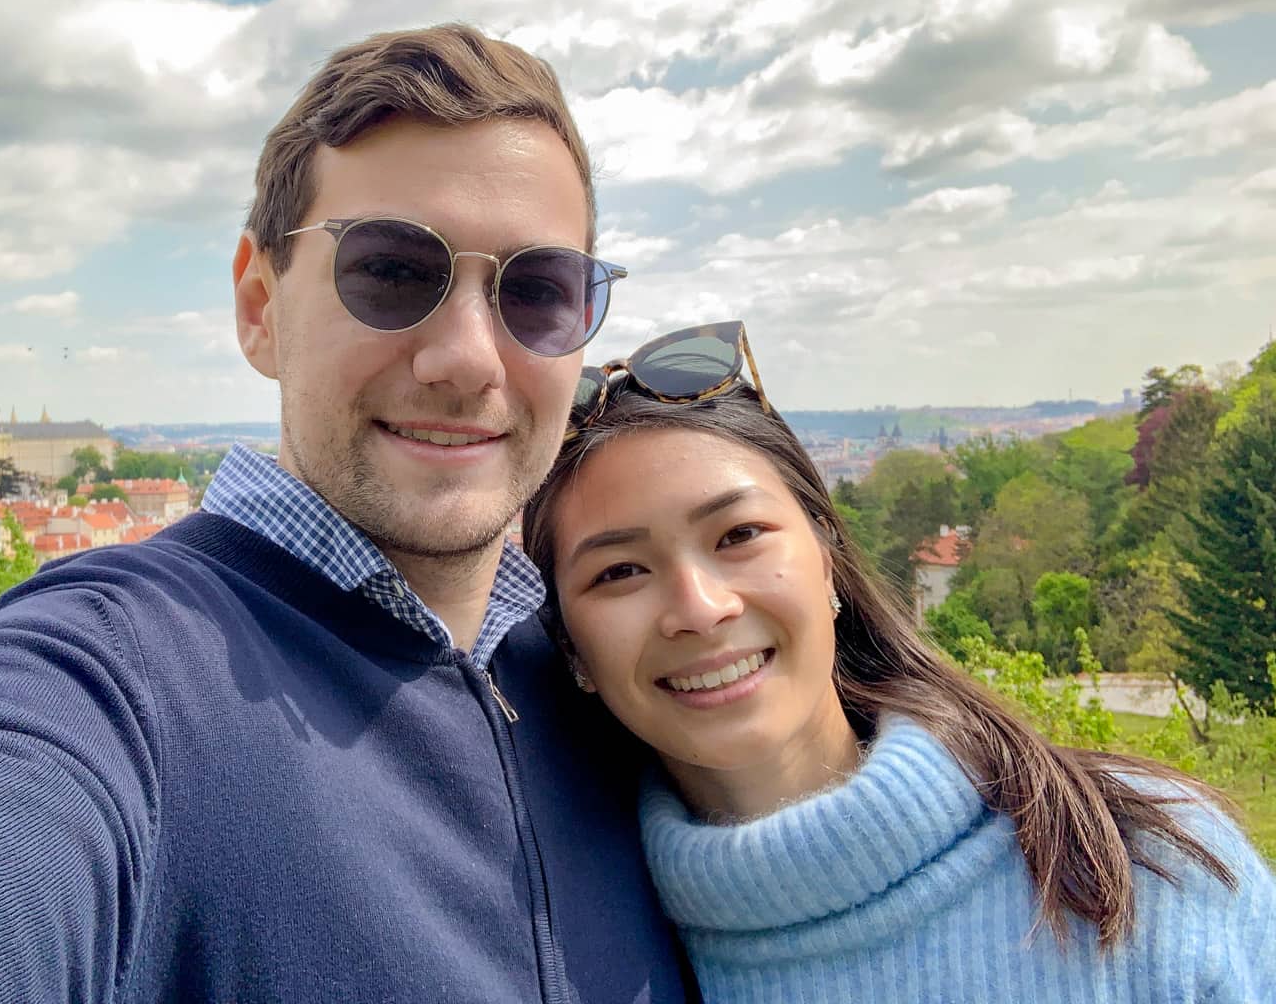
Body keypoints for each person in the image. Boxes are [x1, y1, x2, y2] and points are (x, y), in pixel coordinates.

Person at [0, 25, 694, 1003]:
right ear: (259, 306)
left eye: (540, 291)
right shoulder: (118, 675)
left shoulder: (604, 669)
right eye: (389, 272)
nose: (469, 358)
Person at [522, 320, 1276, 1003]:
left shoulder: (1149, 867)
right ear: (571, 648)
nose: (699, 607)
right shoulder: (555, 956)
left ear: (827, 560)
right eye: (619, 572)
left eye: (738, 535)